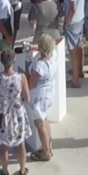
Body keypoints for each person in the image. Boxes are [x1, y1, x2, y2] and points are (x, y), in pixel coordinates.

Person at [0, 49, 31, 175]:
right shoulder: (21, 77)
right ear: (14, 61)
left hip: (3, 115)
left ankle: (5, 172)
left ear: (1, 62)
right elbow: (27, 98)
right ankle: (22, 171)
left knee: (3, 144)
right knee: (21, 143)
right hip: (18, 114)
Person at [26, 33, 56, 162]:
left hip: (39, 97)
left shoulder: (39, 66)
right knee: (46, 121)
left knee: (39, 123)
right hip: (49, 95)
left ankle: (45, 152)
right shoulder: (54, 58)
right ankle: (49, 148)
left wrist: (27, 67)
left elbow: (31, 84)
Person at [59, 0, 87, 88]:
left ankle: (75, 80)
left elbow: (72, 8)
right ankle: (80, 71)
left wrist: (67, 22)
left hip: (74, 20)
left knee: (72, 51)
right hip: (80, 18)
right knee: (79, 46)